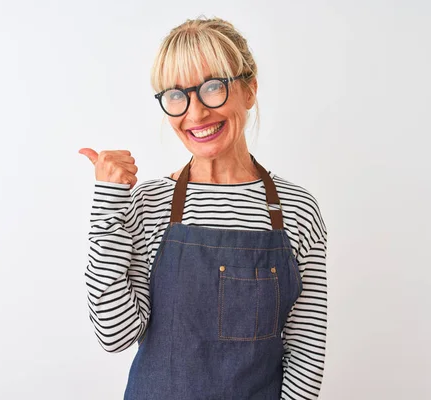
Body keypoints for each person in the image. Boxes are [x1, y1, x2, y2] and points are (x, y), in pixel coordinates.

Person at [79, 17, 328, 400]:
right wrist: (108, 204)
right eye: (177, 95)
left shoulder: (297, 209)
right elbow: (115, 334)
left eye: (214, 87)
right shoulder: (149, 203)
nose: (195, 114)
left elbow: (306, 353)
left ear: (249, 90)